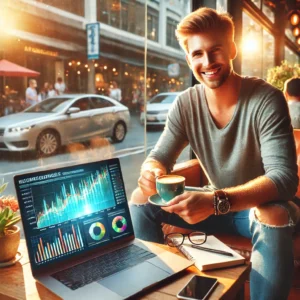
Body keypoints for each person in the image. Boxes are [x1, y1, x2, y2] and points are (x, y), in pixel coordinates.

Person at [129, 7, 299, 300]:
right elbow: (159, 155)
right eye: (197, 54)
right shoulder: (186, 104)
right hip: (214, 202)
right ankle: (156, 291)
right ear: (188, 58)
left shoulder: (266, 99)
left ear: (232, 48)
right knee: (140, 200)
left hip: (259, 210)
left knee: (270, 213)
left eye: (215, 50)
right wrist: (152, 171)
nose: (207, 62)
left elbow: (284, 179)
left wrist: (217, 200)